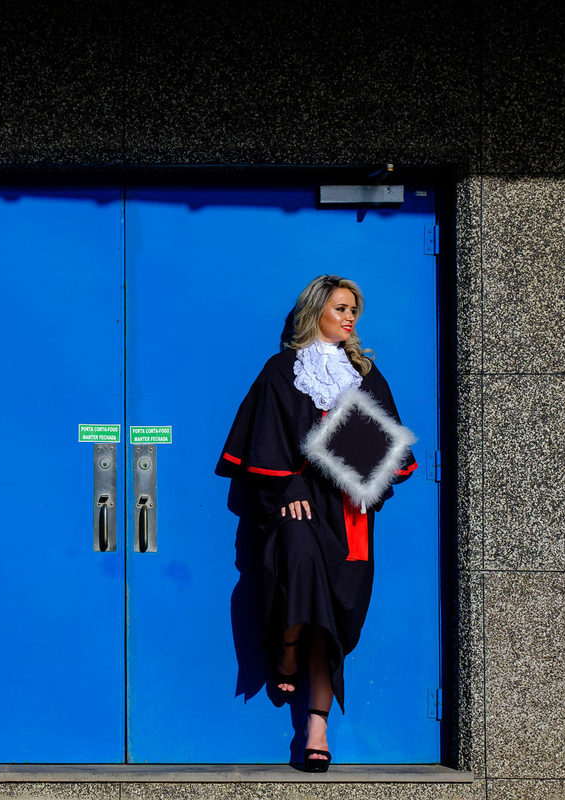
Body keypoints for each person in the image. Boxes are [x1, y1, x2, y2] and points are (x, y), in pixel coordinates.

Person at [216, 275, 417, 772]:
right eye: (340, 308)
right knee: (300, 568)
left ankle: (316, 727)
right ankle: (286, 650)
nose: (349, 317)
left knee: (334, 611)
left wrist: (368, 480)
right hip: (298, 504)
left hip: (348, 512)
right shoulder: (282, 371)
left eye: (353, 310)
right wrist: (286, 489)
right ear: (316, 311)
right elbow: (263, 438)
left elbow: (389, 450)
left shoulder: (365, 373)